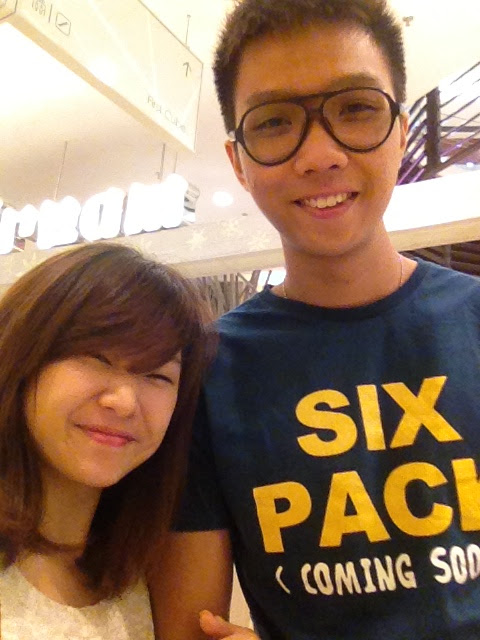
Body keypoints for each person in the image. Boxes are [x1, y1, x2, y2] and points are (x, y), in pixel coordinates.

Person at [150, 0, 480, 639]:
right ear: (239, 162)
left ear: (401, 131)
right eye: (275, 122)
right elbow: (193, 629)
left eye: (355, 108)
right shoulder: (207, 375)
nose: (320, 154)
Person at [0, 242, 250, 640]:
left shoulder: (138, 574)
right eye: (96, 358)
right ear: (22, 355)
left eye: (157, 376)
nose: (125, 402)